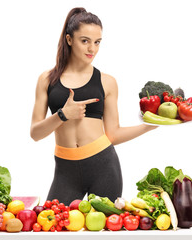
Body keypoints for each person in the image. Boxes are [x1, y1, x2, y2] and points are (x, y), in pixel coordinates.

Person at [30, 7, 157, 205]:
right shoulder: (47, 80)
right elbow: (35, 133)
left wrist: (150, 125)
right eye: (85, 41)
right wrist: (63, 115)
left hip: (104, 167)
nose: (92, 49)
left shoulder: (107, 82)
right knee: (53, 226)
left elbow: (113, 134)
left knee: (105, 232)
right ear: (69, 39)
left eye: (97, 42)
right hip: (65, 170)